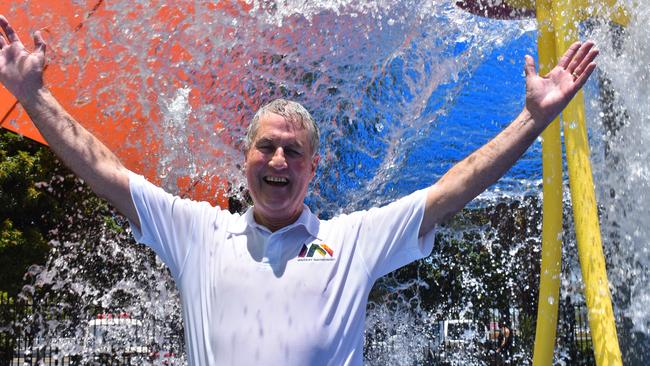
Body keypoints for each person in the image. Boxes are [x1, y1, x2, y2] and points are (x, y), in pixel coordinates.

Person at [0, 14, 598, 365]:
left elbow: (454, 187)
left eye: (293, 151)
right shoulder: (198, 232)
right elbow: (104, 169)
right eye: (266, 147)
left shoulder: (352, 240)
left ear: (312, 169)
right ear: (246, 161)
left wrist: (533, 120)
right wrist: (34, 96)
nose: (278, 159)